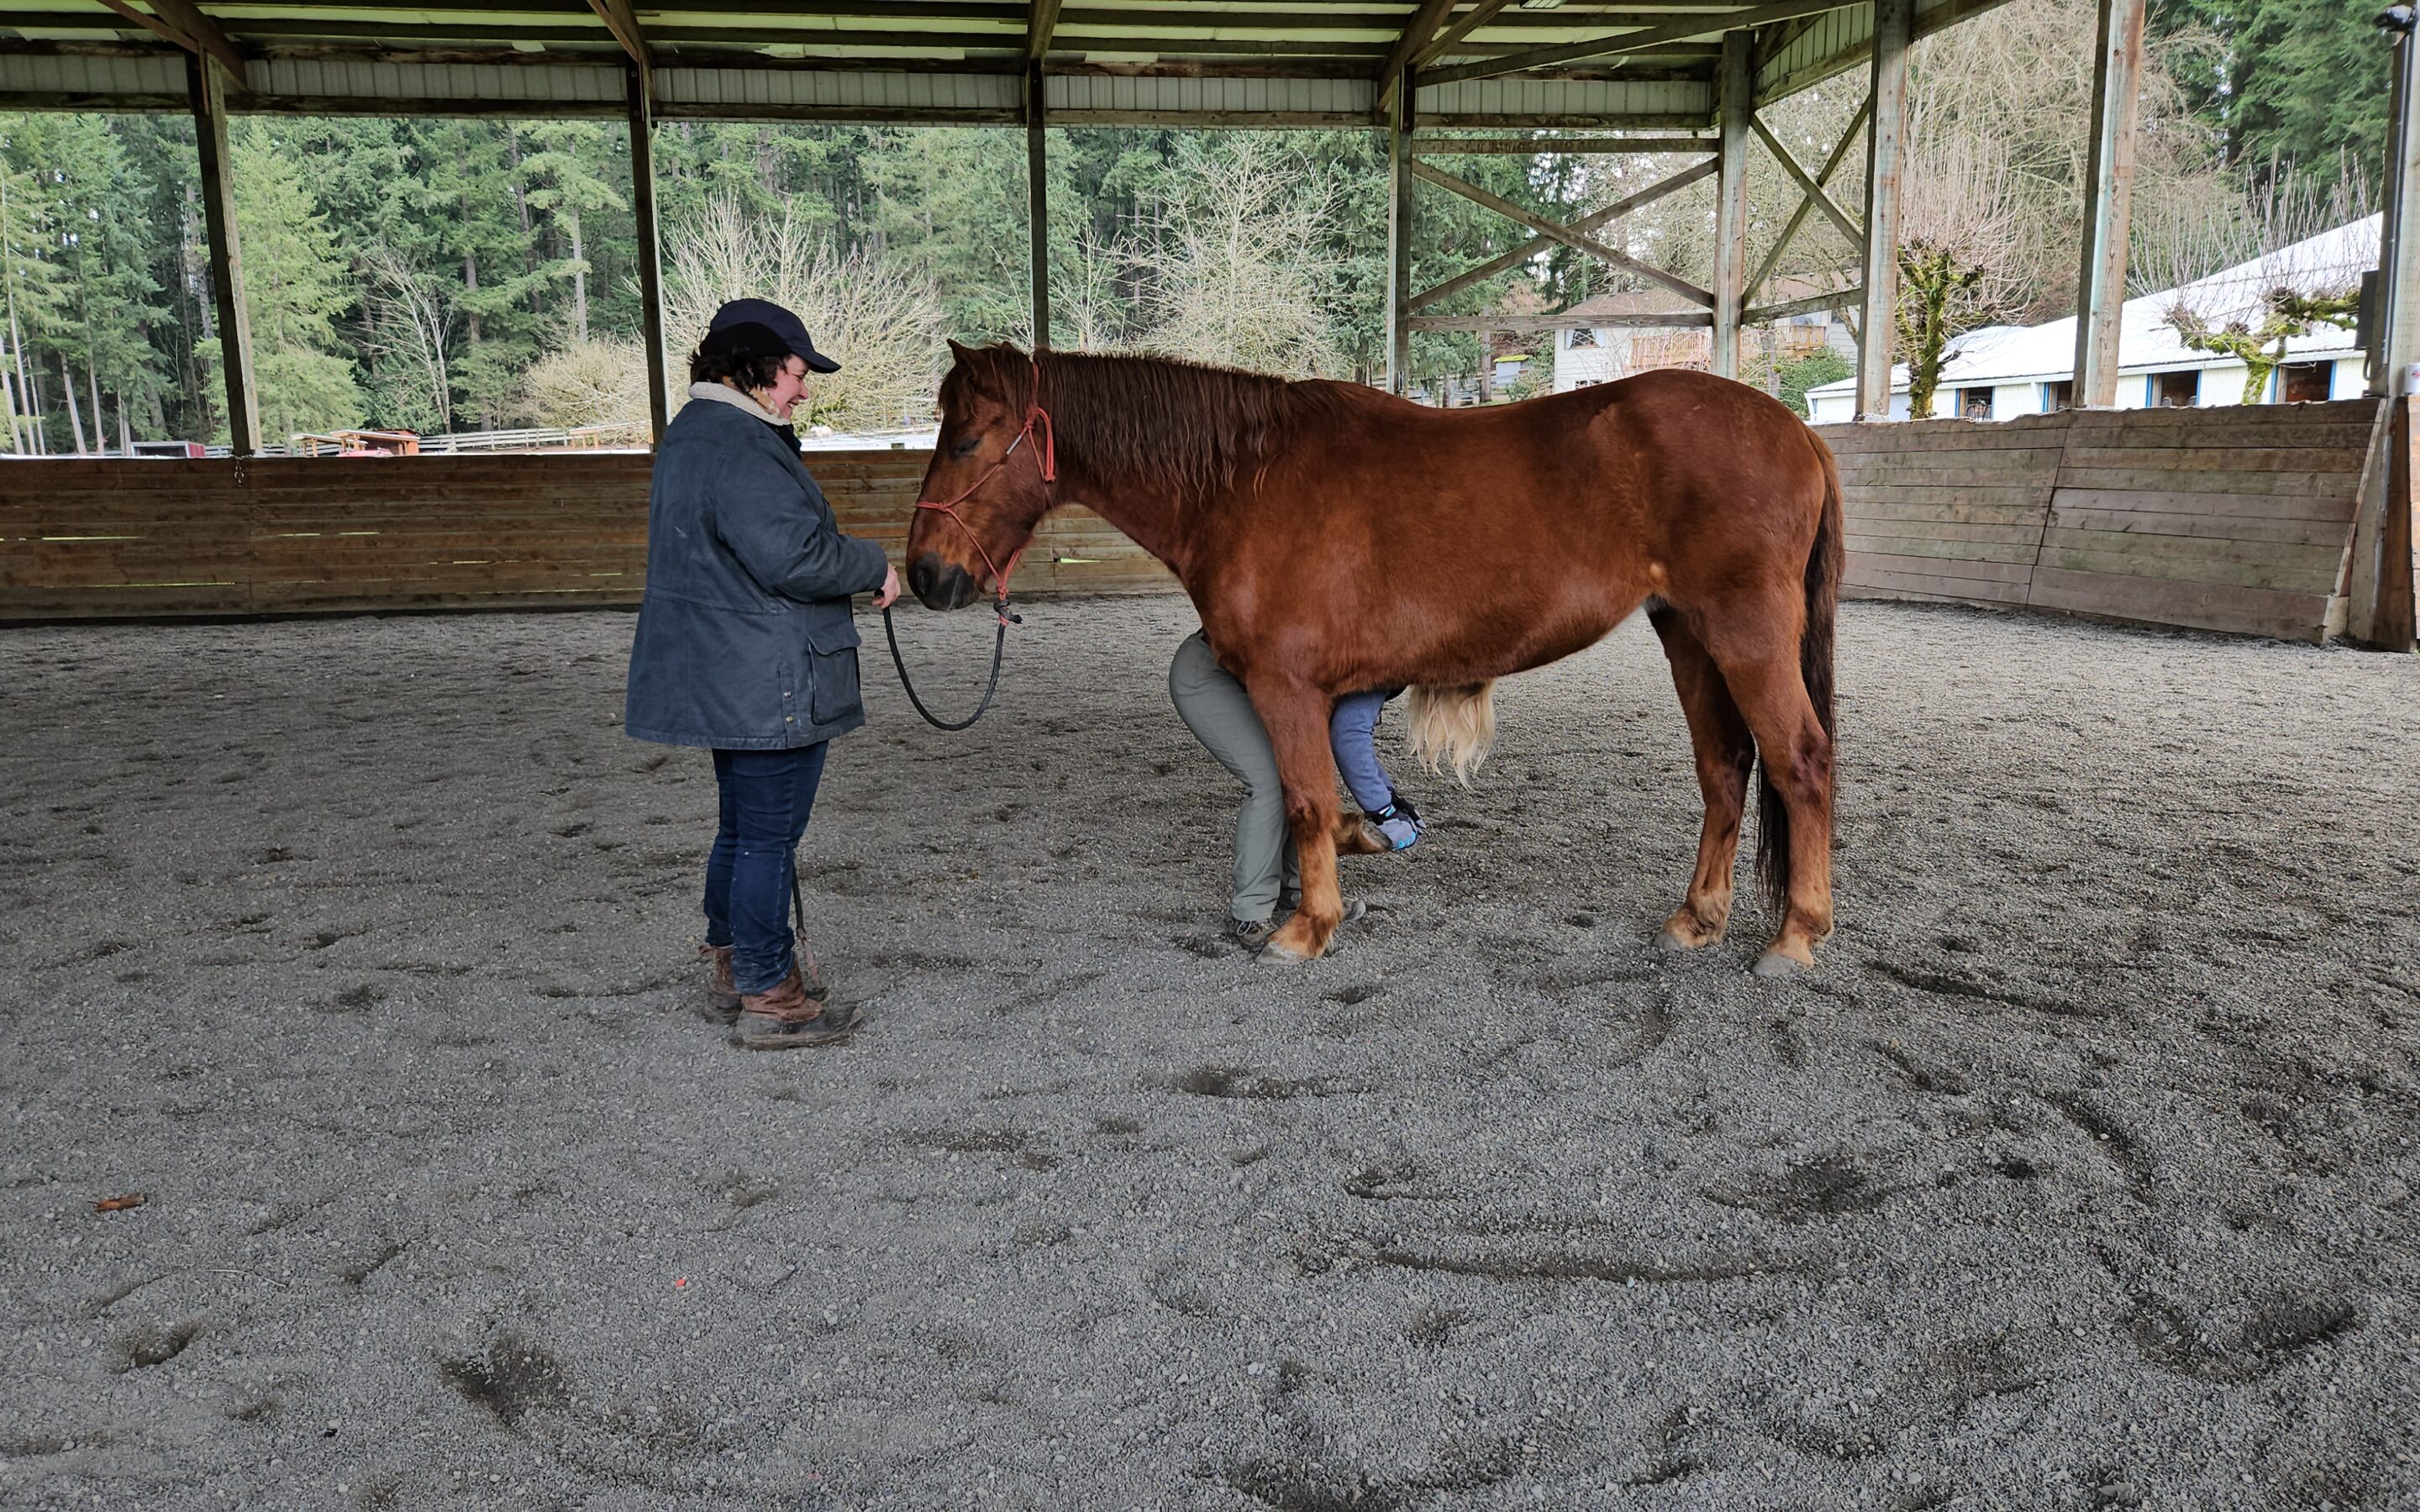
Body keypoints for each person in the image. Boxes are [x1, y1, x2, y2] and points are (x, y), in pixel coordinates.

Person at [624, 297, 901, 1050]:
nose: (803, 389)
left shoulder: (693, 435)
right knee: (767, 839)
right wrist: (871, 561)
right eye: (795, 372)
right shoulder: (741, 444)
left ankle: (734, 969)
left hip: (726, 669)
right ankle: (770, 992)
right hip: (764, 674)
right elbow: (794, 559)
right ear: (754, 368)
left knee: (742, 829)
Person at [1168, 630, 1418, 950]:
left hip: (1255, 682)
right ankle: (1251, 912)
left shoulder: (1372, 655)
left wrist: (1390, 800)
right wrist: (1386, 808)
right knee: (1269, 783)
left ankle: (1299, 892)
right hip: (1209, 675)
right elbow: (1350, 739)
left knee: (1299, 778)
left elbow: (1350, 737)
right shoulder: (1370, 653)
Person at [1330, 690, 1424, 851]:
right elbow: (1350, 735)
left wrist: (1390, 797)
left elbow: (1357, 733)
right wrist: (1384, 810)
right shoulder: (1391, 668)